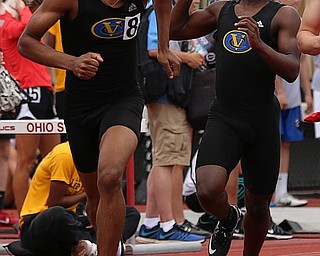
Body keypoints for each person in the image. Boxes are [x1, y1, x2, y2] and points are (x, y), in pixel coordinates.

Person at [18, 0, 181, 253]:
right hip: (80, 107)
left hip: (124, 98)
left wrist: (163, 46)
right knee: (94, 196)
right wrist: (72, 63)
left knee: (110, 175)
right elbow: (26, 42)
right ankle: (110, 245)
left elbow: (162, 3)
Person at [170, 0, 301, 255]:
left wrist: (259, 45)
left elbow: (292, 69)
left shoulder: (283, 15)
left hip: (261, 119)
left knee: (259, 206)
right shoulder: (222, 10)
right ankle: (228, 217)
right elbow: (177, 29)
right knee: (207, 190)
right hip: (225, 115)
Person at [136, 0, 208, 244]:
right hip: (165, 93)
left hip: (170, 96)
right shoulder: (159, 11)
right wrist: (188, 58)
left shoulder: (159, 11)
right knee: (169, 160)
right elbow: (153, 49)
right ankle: (170, 224)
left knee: (166, 159)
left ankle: (152, 222)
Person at [18, 142, 140, 256]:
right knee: (58, 214)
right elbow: (54, 203)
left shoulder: (100, 159)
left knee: (130, 213)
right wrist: (89, 193)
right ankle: (96, 244)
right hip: (38, 223)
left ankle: (99, 245)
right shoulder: (64, 156)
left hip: (72, 221)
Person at [0, 0, 61, 214]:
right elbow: (26, 29)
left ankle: (54, 212)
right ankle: (25, 217)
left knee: (55, 158)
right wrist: (21, 7)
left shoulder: (15, 17)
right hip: (26, 92)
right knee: (26, 161)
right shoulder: (4, 22)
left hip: (44, 89)